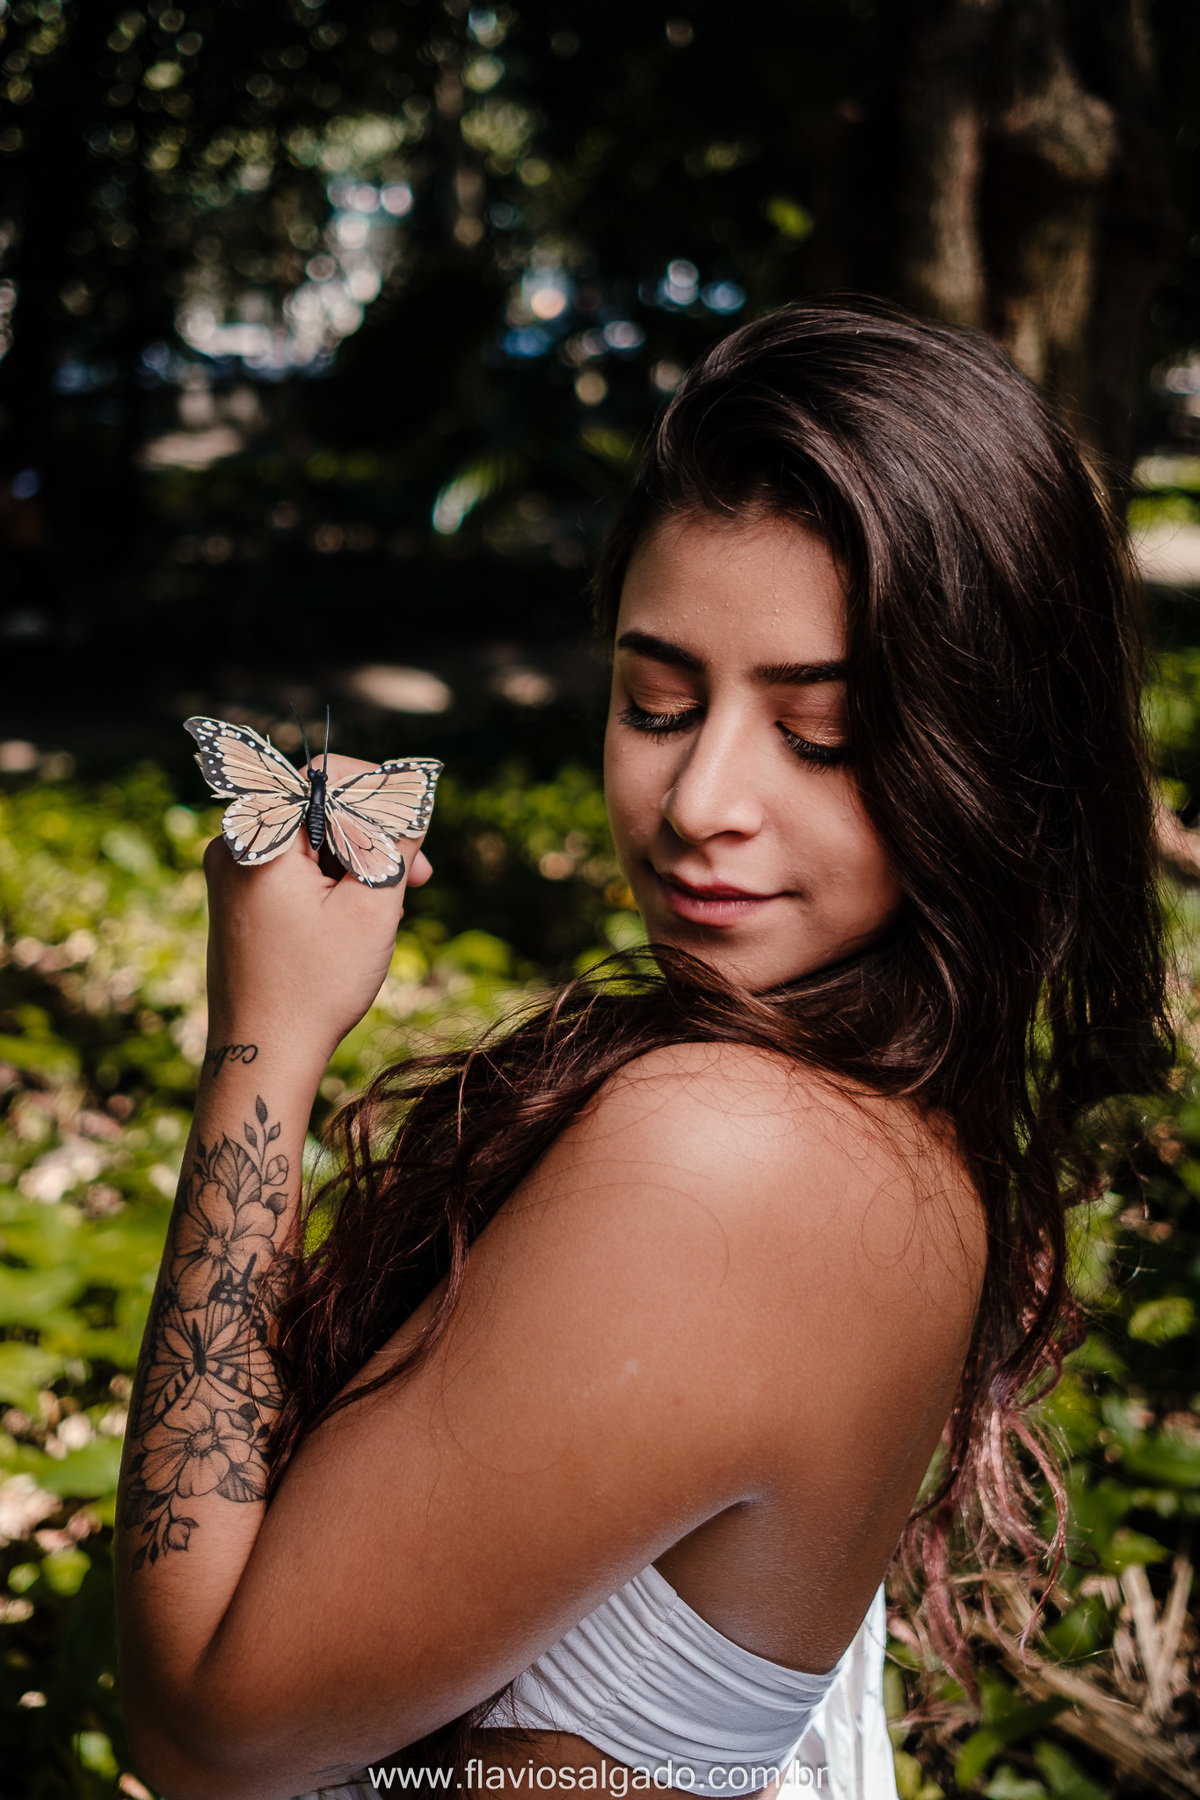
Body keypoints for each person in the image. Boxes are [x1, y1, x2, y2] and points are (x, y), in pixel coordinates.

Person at [113, 303, 1171, 1800]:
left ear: (992, 751)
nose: (698, 802)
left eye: (821, 733)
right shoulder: (892, 1115)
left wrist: (265, 1045)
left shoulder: (735, 1152)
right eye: (657, 704)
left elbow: (204, 1732)